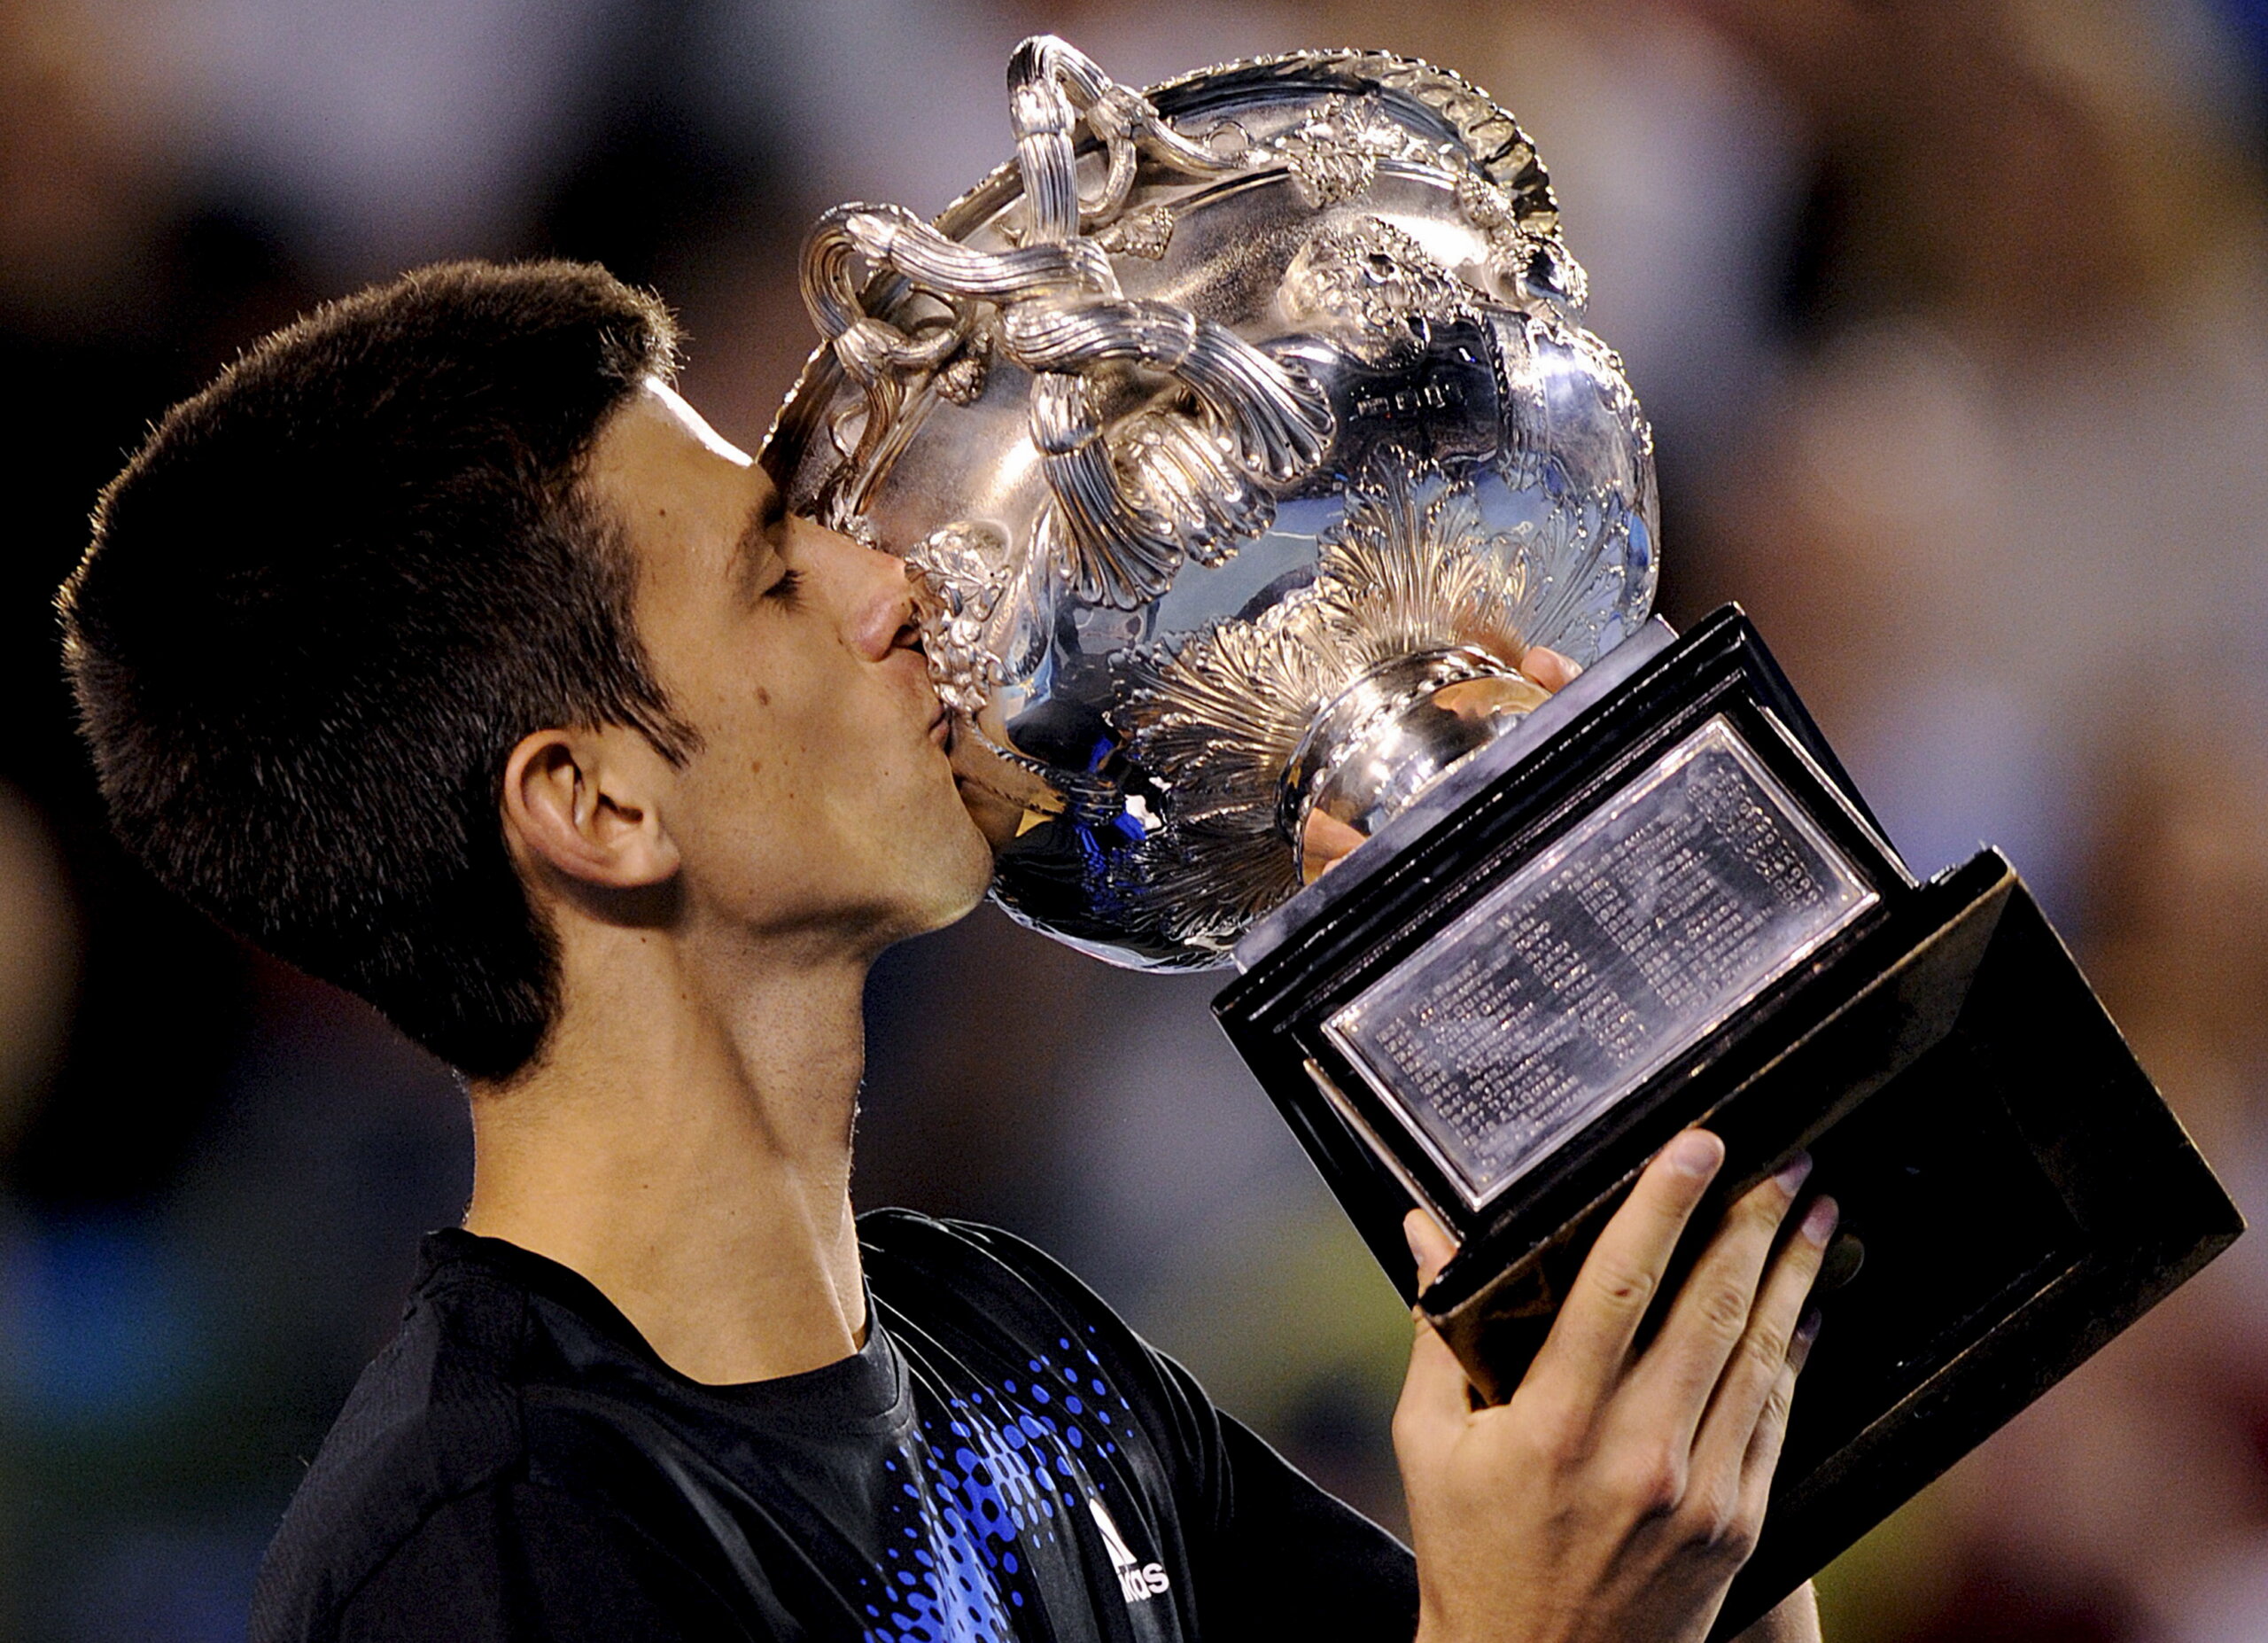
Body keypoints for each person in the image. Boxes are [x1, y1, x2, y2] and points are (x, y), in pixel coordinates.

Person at [59, 259, 1836, 1642]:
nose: (886, 588)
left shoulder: (1021, 1354)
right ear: (595, 808)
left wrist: (1596, 1027)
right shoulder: (496, 1548)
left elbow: (1660, 1586)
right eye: (772, 574)